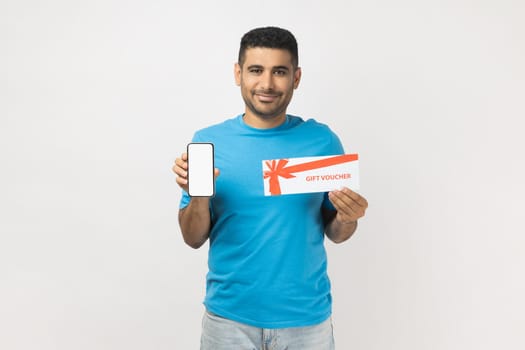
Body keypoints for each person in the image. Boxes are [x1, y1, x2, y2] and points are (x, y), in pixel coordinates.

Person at [172, 26, 368, 350]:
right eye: (255, 70)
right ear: (238, 74)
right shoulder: (208, 142)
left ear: (296, 77)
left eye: (279, 71)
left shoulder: (323, 142)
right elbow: (192, 238)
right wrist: (198, 197)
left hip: (307, 322)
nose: (267, 84)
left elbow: (336, 232)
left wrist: (349, 217)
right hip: (228, 322)